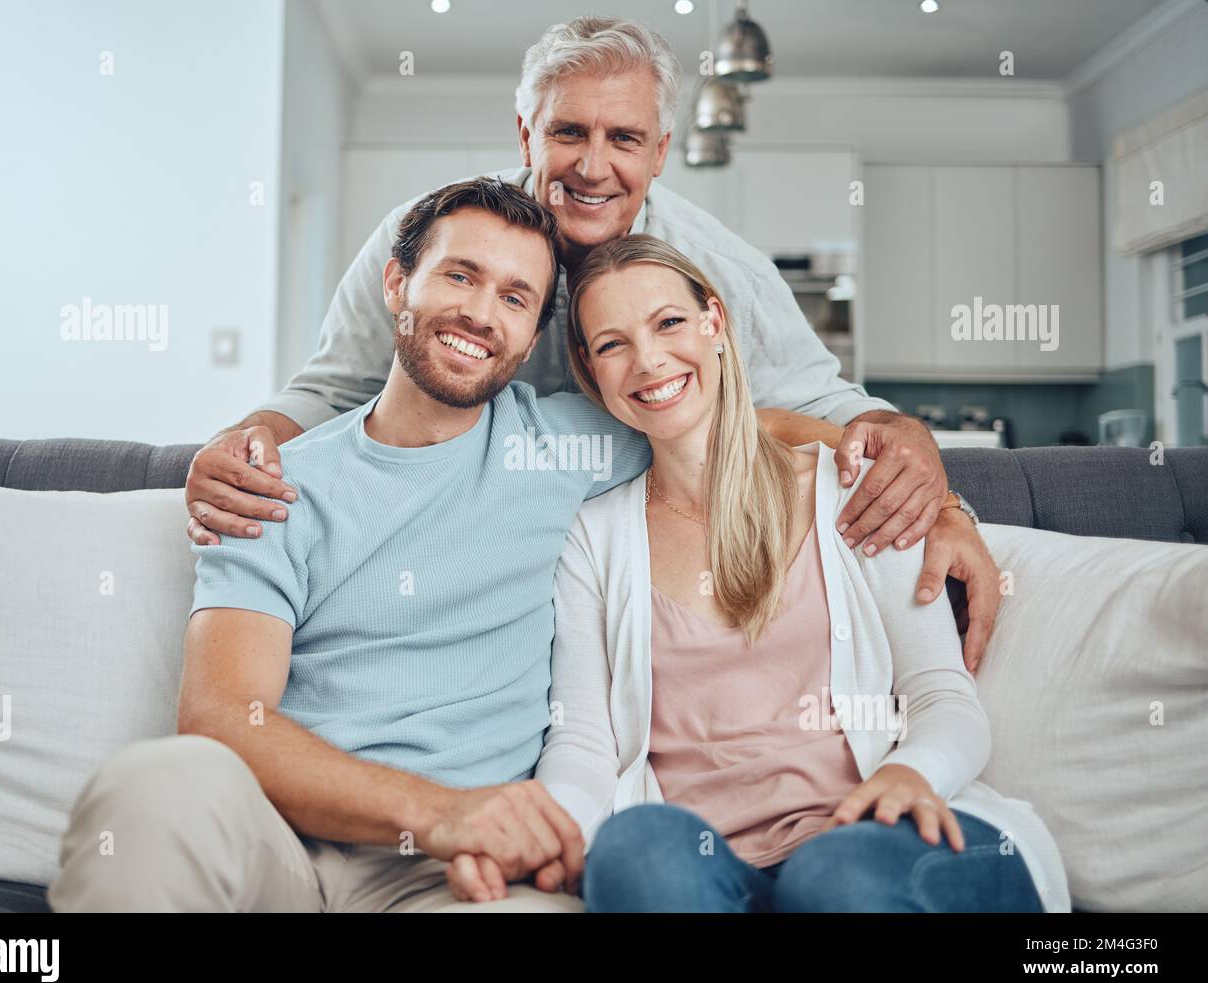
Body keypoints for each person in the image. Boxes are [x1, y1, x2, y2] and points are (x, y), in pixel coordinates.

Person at [183, 15, 1001, 675]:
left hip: (643, 569)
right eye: (568, 131)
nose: (594, 166)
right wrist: (245, 439)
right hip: (464, 565)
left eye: (625, 139)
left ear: (661, 152)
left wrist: (940, 494)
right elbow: (330, 390)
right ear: (526, 133)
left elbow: (824, 407)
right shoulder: (431, 244)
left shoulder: (717, 269)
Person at [52, 179, 775, 912]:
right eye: (460, 276)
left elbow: (729, 422)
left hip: (462, 881)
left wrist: (884, 437)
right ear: (398, 284)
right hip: (282, 848)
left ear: (533, 339)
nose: (481, 313)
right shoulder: (273, 484)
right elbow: (220, 714)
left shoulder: (565, 447)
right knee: (156, 783)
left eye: (516, 298)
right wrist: (436, 813)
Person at [490, 235, 1069, 912]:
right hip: (710, 867)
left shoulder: (853, 491)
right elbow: (584, 741)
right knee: (635, 850)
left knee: (833, 878)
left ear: (715, 324)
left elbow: (942, 696)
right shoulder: (594, 537)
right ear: (589, 368)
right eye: (613, 344)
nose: (649, 360)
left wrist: (914, 773)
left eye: (669, 323)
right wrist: (556, 830)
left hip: (878, 838)